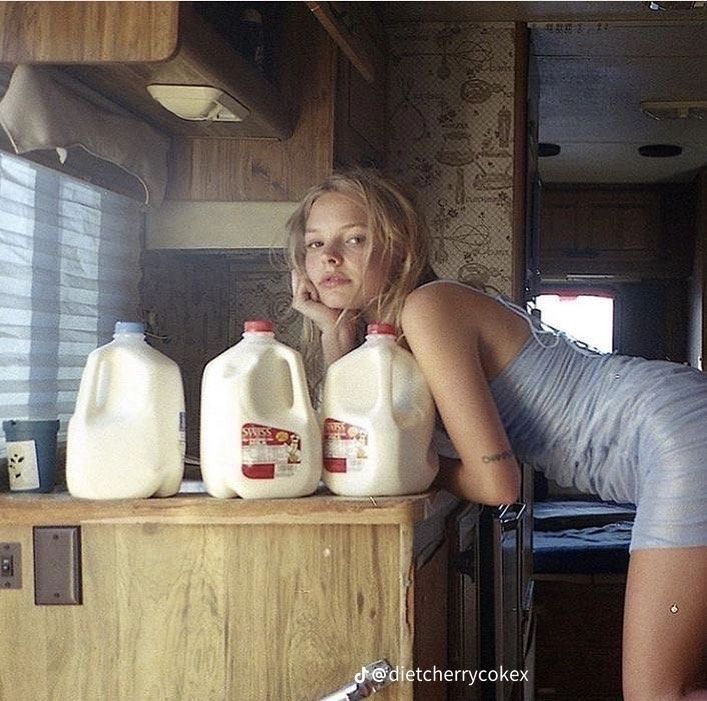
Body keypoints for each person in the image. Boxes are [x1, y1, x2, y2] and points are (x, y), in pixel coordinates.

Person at [287, 168, 707, 700]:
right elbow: (352, 442)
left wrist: (406, 464)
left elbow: (497, 485)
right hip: (678, 422)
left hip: (677, 432)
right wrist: (332, 331)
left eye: (354, 238)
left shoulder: (429, 308)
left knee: (657, 693)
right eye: (315, 244)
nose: (329, 257)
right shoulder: (402, 335)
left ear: (400, 245)